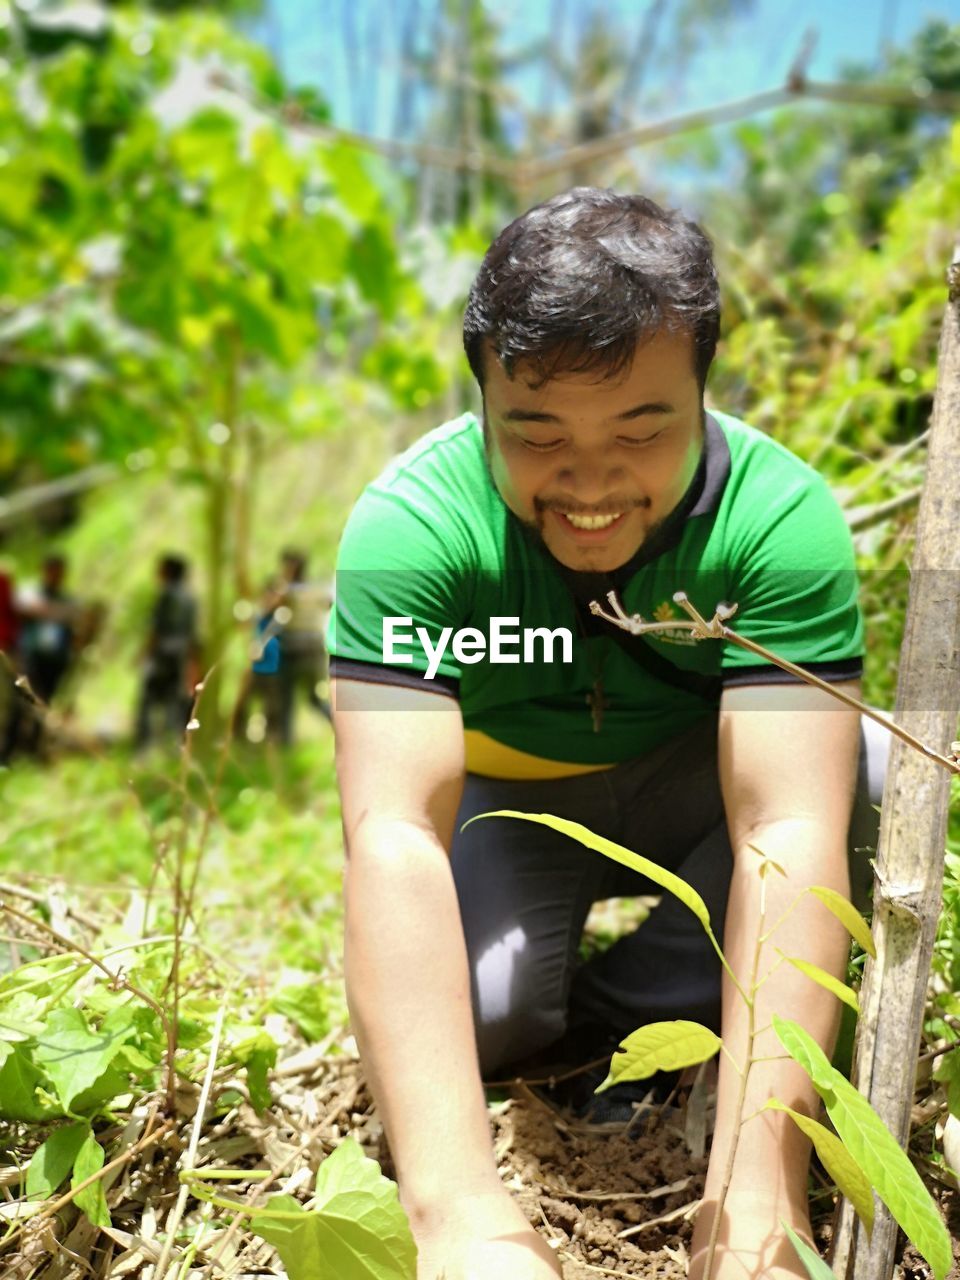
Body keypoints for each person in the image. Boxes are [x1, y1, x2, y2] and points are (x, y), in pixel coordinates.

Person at [327, 188, 886, 1280]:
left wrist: (756, 1203)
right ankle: (559, 1013)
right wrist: (458, 1220)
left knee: (853, 767)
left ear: (702, 395)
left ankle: (636, 1012)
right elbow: (391, 829)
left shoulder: (777, 521)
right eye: (536, 435)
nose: (589, 483)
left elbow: (786, 827)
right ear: (482, 398)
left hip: (705, 789)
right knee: (485, 1015)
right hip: (513, 798)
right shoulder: (412, 525)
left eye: (642, 428)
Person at [12, 553, 79, 754]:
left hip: (56, 660)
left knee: (44, 702)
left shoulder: (68, 599)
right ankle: (19, 747)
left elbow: (75, 621)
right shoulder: (29, 593)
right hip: (32, 657)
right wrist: (55, 613)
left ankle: (37, 746)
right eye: (52, 572)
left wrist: (49, 612)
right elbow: (23, 611)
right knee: (26, 700)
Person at [134, 554, 200, 749]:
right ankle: (173, 743)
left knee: (148, 701)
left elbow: (157, 629)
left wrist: (144, 653)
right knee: (174, 700)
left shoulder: (165, 595)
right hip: (181, 655)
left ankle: (145, 744)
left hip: (162, 655)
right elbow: (192, 632)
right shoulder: (190, 598)